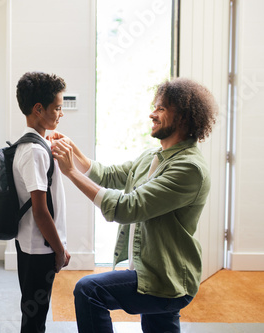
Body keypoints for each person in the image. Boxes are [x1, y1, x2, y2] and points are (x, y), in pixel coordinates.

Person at [50, 77, 218, 333]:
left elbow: (127, 208)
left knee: (88, 290)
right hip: (153, 270)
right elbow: (109, 175)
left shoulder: (189, 168)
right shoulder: (152, 156)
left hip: (165, 279)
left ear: (183, 118)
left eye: (161, 108)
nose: (152, 114)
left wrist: (71, 172)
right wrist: (74, 152)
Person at [14, 71, 71, 333]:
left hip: (30, 244)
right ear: (39, 109)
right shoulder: (35, 152)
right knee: (35, 320)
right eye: (57, 108)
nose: (61, 114)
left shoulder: (31, 145)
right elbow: (40, 211)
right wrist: (59, 250)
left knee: (33, 313)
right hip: (40, 249)